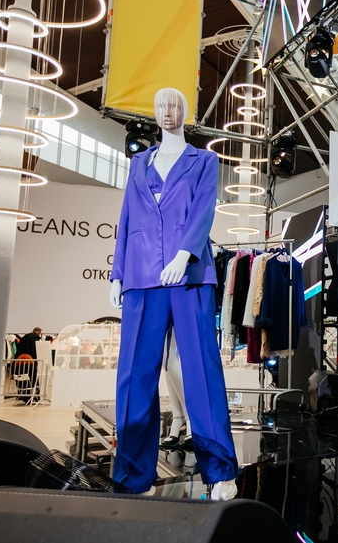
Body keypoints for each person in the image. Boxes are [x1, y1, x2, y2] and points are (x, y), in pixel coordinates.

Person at [109, 88, 238, 499]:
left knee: (201, 371)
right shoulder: (139, 163)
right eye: (160, 105)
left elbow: (204, 210)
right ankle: (132, 476)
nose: (167, 112)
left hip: (190, 276)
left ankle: (220, 471)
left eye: (174, 105)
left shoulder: (204, 161)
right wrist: (117, 274)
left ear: (185, 112)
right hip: (141, 276)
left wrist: (185, 254)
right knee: (134, 375)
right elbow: (127, 218)